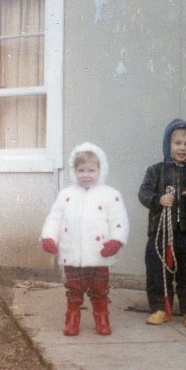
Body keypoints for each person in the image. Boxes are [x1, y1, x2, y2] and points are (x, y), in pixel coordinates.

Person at [41, 142, 129, 336]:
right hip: (72, 254)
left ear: (100, 170)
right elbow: (54, 219)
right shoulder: (66, 195)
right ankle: (72, 318)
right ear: (74, 171)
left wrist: (116, 241)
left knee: (99, 290)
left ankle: (102, 318)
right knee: (73, 290)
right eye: (81, 170)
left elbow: (119, 221)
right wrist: (49, 238)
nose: (86, 175)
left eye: (91, 170)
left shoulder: (110, 195)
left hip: (99, 254)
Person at [138, 119, 186, 327]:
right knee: (157, 271)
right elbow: (143, 193)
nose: (182, 148)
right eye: (177, 143)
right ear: (168, 145)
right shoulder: (155, 171)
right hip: (160, 232)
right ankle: (160, 308)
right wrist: (158, 200)